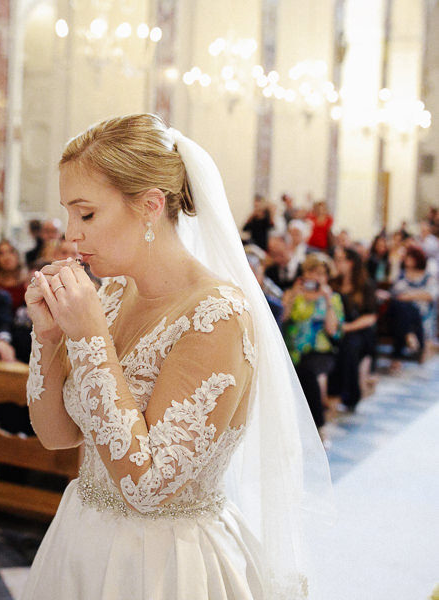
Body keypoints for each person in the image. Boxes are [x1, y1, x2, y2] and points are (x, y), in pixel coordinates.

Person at [21, 114, 331, 599]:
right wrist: (49, 338)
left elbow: (146, 488)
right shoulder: (113, 295)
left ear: (149, 205)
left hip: (166, 563)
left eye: (86, 214)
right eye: (67, 214)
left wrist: (88, 339)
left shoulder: (216, 314)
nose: (70, 236)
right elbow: (57, 436)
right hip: (81, 540)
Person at [281, 253, 345, 429]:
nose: (315, 277)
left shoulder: (333, 298)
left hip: (320, 352)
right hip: (291, 350)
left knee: (306, 372)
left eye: (321, 273)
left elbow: (332, 330)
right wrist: (292, 296)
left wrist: (327, 300)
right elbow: (281, 319)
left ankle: (319, 425)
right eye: (312, 272)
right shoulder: (292, 294)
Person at [328, 247, 378, 411]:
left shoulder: (365, 285)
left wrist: (347, 327)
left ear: (350, 263)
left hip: (359, 329)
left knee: (349, 346)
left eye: (340, 259)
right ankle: (331, 393)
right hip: (337, 328)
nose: (337, 263)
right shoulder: (333, 283)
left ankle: (349, 395)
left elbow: (370, 317)